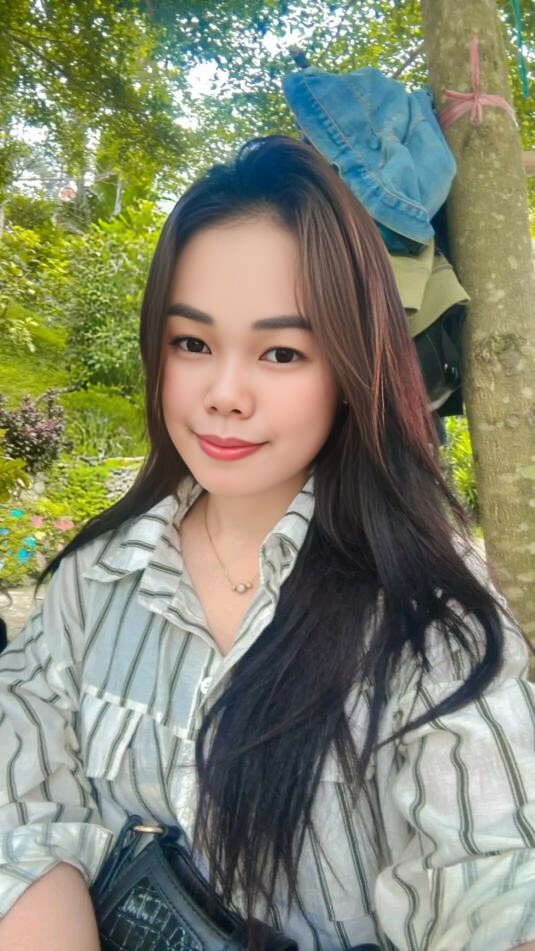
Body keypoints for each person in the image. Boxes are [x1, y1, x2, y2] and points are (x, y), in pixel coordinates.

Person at [0, 135, 533, 951]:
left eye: (281, 352)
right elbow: (21, 791)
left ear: (350, 369)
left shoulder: (431, 614)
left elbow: (495, 872)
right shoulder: (93, 580)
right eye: (192, 343)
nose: (223, 394)